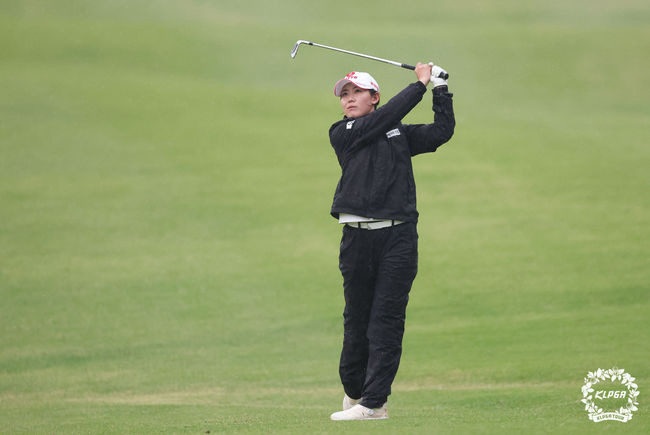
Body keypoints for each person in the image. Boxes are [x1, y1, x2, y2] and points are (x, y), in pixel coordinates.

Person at [328, 63, 455, 421]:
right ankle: (356, 391)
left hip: (398, 238)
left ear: (375, 97)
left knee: (386, 320)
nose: (349, 99)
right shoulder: (343, 132)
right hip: (356, 240)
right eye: (344, 94)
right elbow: (385, 119)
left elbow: (441, 132)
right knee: (356, 321)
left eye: (356, 92)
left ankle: (374, 403)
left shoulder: (396, 133)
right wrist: (419, 85)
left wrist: (439, 89)